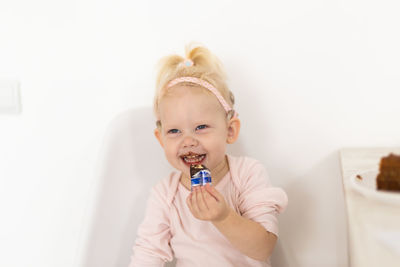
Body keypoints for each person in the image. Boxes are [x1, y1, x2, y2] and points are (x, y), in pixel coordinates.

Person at [129, 43, 288, 267]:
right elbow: (148, 254)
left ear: (230, 131)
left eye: (201, 127)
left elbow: (263, 249)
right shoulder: (165, 195)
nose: (188, 141)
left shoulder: (247, 174)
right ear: (161, 139)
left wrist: (224, 217)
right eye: (174, 131)